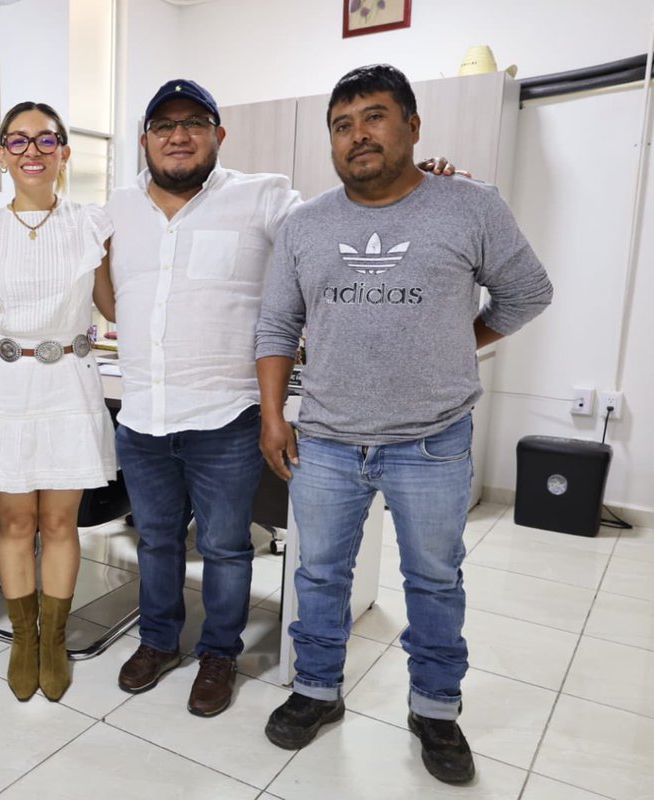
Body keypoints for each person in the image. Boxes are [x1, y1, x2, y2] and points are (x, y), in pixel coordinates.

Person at [106, 78, 461, 719]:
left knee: (224, 547)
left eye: (194, 122)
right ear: (144, 140)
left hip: (225, 415)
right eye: (163, 125)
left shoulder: (264, 196)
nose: (178, 135)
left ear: (218, 133)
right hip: (142, 415)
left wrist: (418, 187)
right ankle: (157, 640)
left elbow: (344, 218)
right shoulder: (115, 206)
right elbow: (109, 291)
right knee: (155, 543)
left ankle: (219, 653)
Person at [255, 64, 552, 784]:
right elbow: (275, 325)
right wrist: (272, 415)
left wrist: (458, 338)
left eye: (374, 117)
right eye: (342, 124)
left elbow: (526, 293)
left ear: (413, 126)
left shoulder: (469, 206)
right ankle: (316, 689)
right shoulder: (306, 225)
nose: (357, 135)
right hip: (325, 437)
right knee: (320, 576)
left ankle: (435, 709)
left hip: (432, 441)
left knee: (433, 581)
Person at [0, 101, 116, 702]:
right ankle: (25, 636)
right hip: (5, 381)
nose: (32, 152)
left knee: (59, 521)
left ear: (64, 153)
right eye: (17, 142)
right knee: (16, 521)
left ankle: (55, 638)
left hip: (69, 382)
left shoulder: (93, 225)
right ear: (0, 155)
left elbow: (117, 305)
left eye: (46, 141)